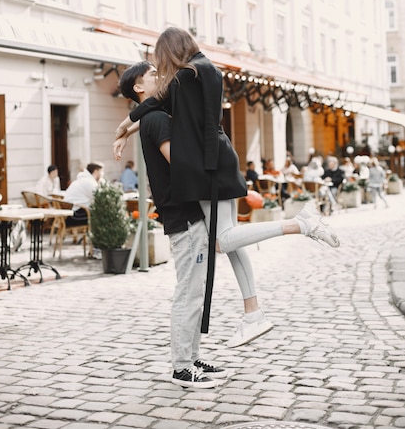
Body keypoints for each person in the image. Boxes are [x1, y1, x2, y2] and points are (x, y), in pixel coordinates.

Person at [114, 28, 340, 348]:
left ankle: (300, 224)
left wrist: (124, 127)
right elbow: (154, 107)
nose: (160, 66)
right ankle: (253, 313)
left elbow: (155, 103)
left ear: (170, 52)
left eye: (160, 59)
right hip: (218, 161)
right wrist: (127, 127)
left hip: (208, 168)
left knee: (223, 241)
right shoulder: (203, 70)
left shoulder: (186, 76)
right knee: (232, 243)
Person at [119, 61, 227, 389]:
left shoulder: (152, 117)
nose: (157, 76)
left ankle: (191, 357)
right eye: (151, 75)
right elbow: (179, 161)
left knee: (194, 291)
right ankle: (182, 366)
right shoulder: (156, 120)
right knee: (188, 293)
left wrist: (123, 127)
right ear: (139, 88)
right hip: (184, 215)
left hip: (183, 214)